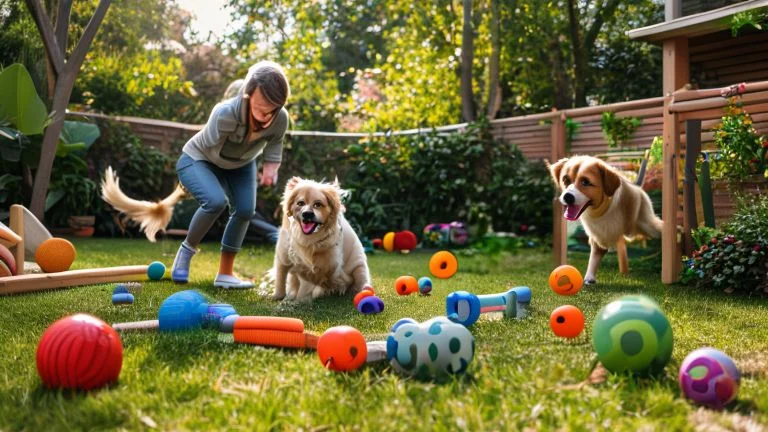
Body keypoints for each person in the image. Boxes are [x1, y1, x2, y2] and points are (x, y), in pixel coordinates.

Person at [170, 61, 290, 288]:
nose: (266, 116)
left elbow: (275, 143)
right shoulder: (225, 113)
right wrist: (198, 183)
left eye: (272, 110)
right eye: (260, 108)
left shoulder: (280, 117)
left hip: (241, 165)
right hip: (199, 159)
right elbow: (208, 150)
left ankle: (225, 274)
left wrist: (270, 169)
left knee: (245, 210)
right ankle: (185, 253)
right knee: (215, 201)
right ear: (247, 95)